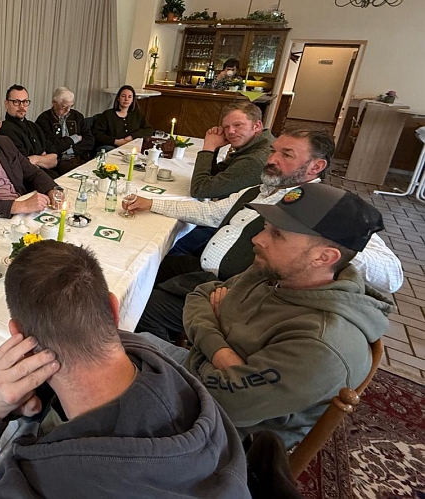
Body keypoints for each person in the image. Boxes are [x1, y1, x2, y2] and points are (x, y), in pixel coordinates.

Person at [0, 241, 251, 499]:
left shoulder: (40, 481)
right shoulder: (165, 367)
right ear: (114, 311)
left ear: (18, 335)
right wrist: (40, 393)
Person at [140, 184, 393, 448]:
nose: (258, 239)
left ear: (323, 257)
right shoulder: (277, 273)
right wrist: (222, 353)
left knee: (113, 398)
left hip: (221, 431)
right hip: (199, 372)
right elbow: (200, 295)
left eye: (277, 234)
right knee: (122, 341)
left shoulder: (321, 342)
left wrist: (213, 328)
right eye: (265, 226)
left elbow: (224, 402)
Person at [132, 125, 402, 342]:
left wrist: (329, 239)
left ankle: (170, 368)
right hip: (203, 272)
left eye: (287, 155)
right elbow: (211, 212)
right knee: (141, 268)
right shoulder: (259, 190)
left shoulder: (326, 208)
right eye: (273, 151)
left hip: (236, 297)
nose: (271, 160)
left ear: (316, 167)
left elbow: (392, 276)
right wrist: (151, 203)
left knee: (142, 306)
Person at [189, 101, 274, 200]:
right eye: (226, 127)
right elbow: (215, 176)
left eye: (238, 125)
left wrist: (209, 147)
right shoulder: (254, 145)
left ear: (257, 126)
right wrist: (215, 148)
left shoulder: (254, 160)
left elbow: (199, 190)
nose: (230, 131)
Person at [0, 85, 58, 176]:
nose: (22, 106)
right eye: (16, 102)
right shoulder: (5, 130)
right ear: (6, 104)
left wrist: (35, 159)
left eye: (25, 101)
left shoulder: (34, 126)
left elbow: (54, 159)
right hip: (30, 180)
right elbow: (23, 165)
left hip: (49, 176)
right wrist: (43, 158)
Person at [34, 87, 95, 175]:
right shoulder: (44, 119)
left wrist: (70, 150)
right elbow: (51, 146)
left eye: (70, 106)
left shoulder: (77, 116)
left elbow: (90, 140)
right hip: (58, 162)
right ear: (54, 103)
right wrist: (75, 138)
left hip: (79, 158)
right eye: (64, 106)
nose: (68, 110)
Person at [91, 84, 153, 152]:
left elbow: (149, 130)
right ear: (118, 98)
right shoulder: (108, 114)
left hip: (131, 148)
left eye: (129, 97)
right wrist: (115, 141)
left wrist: (132, 136)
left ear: (132, 100)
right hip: (110, 147)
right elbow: (97, 134)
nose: (126, 99)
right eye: (123, 96)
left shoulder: (137, 115)